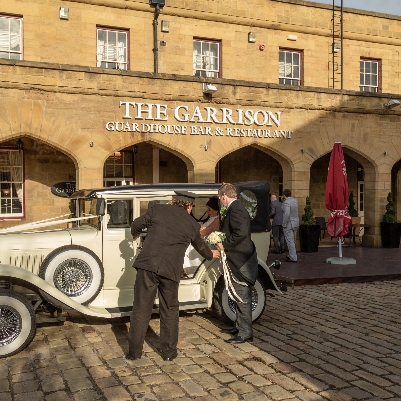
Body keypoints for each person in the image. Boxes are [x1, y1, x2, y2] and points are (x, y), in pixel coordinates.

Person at [127, 191, 220, 361]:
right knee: (169, 310)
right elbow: (201, 246)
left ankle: (134, 353)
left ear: (174, 201)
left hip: (147, 266)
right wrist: (211, 254)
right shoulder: (191, 224)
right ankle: (169, 353)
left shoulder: (158, 209)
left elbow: (135, 225)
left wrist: (137, 235)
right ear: (189, 207)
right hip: (170, 271)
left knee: (141, 309)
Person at [215, 183, 258, 344]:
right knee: (237, 294)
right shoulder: (236, 208)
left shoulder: (237, 209)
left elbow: (241, 233)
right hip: (237, 257)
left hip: (241, 259)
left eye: (221, 198)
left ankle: (246, 332)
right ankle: (239, 326)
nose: (221, 201)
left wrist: (223, 244)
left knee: (242, 296)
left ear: (224, 196)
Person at [282, 189, 299, 263]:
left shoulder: (286, 202)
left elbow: (287, 213)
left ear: (284, 195)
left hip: (289, 223)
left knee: (290, 241)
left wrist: (284, 223)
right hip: (296, 222)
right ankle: (291, 255)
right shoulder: (295, 201)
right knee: (293, 240)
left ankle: (293, 257)